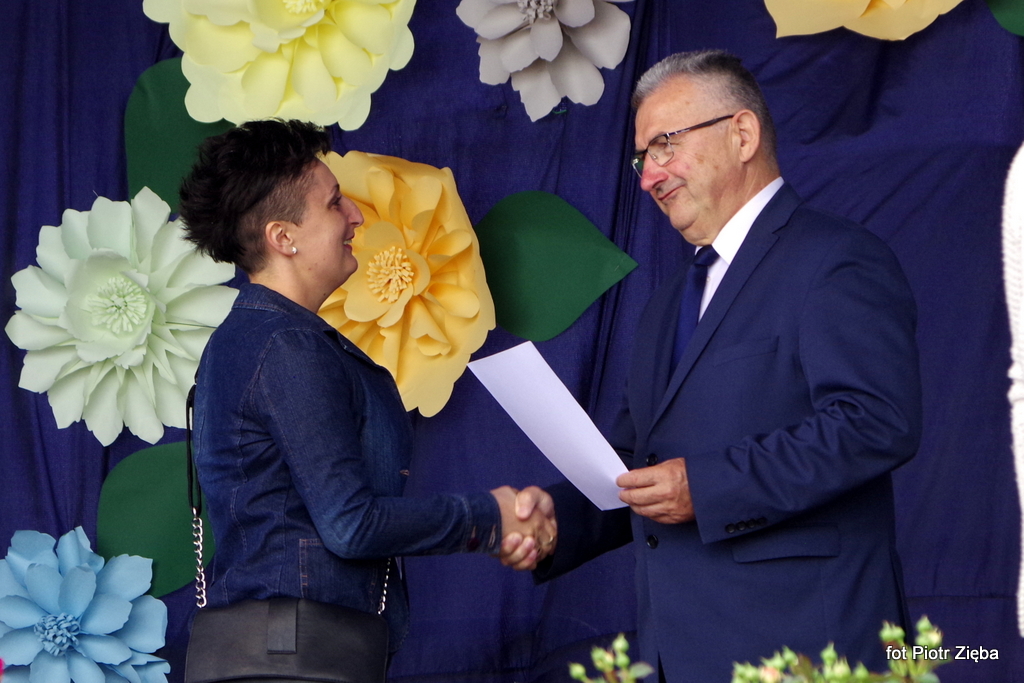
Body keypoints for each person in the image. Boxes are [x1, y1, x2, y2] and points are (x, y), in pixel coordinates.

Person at [507, 50, 922, 682]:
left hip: (809, 645)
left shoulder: (836, 259)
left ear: (742, 134)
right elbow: (636, 466)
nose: (649, 176)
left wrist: (706, 487)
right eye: (642, 157)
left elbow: (874, 423)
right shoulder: (667, 302)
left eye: (665, 145)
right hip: (680, 655)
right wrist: (555, 522)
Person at [178, 119, 556, 657]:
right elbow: (350, 525)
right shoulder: (286, 346)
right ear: (283, 238)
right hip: (298, 655)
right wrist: (488, 516)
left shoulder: (249, 338)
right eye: (334, 203)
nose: (356, 215)